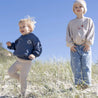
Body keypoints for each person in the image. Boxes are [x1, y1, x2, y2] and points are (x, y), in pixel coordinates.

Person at [6, 16, 42, 97]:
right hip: (18, 61)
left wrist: (34, 54)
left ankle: (23, 94)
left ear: (29, 28)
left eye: (23, 26)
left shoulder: (33, 37)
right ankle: (21, 80)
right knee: (10, 72)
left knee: (23, 79)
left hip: (26, 63)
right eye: (20, 27)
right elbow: (16, 46)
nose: (21, 28)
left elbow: (38, 47)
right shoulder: (20, 38)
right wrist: (10, 45)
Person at [66, 0, 95, 89]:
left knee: (86, 65)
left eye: (80, 6)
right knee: (76, 66)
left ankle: (86, 84)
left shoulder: (88, 20)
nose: (78, 8)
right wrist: (70, 45)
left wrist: (88, 43)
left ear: (84, 8)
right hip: (75, 48)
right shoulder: (71, 23)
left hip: (85, 47)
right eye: (76, 7)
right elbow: (68, 34)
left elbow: (91, 32)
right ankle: (78, 85)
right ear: (73, 10)